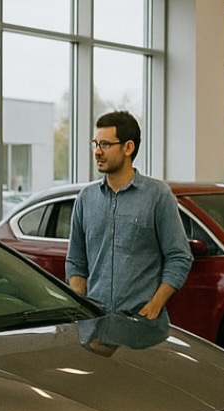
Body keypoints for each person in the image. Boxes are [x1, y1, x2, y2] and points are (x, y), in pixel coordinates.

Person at [65, 110, 192, 321]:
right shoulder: (85, 199)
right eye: (95, 144)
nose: (97, 151)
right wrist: (82, 306)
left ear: (128, 147)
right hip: (95, 323)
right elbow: (76, 261)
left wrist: (155, 305)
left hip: (141, 323)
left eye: (105, 144)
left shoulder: (157, 196)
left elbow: (179, 257)